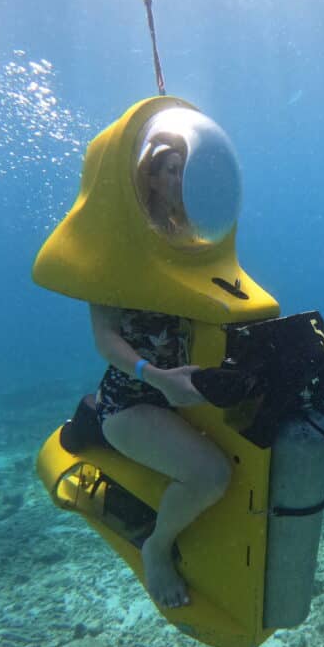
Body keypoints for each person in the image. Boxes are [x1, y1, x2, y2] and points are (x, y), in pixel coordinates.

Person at [88, 137, 231, 609]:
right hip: (132, 398)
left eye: (183, 170)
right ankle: (156, 547)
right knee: (211, 475)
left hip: (178, 389)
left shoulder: (193, 239)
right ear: (149, 179)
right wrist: (155, 376)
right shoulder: (116, 245)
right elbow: (106, 339)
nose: (179, 179)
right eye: (170, 170)